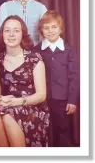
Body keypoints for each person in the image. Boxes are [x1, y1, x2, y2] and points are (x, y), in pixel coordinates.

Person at [0, 15, 50, 147]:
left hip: (31, 107)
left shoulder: (34, 59)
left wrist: (17, 102)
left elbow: (41, 95)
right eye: (7, 30)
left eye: (16, 30)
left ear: (23, 34)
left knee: (8, 116)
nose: (11, 34)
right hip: (6, 105)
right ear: (2, 34)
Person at [34, 10, 79, 147]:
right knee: (44, 131)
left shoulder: (69, 51)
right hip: (43, 98)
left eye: (54, 27)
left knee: (62, 130)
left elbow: (74, 77)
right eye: (46, 28)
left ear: (61, 29)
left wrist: (72, 100)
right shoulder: (36, 50)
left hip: (62, 100)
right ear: (41, 31)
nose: (50, 31)